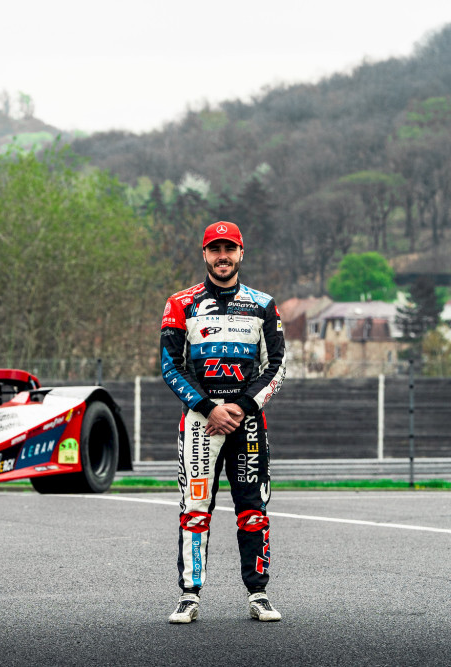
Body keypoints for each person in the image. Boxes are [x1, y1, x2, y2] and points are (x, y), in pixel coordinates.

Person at [159, 221, 286, 623]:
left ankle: (258, 593)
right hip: (201, 423)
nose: (222, 256)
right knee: (195, 509)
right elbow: (170, 366)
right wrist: (208, 407)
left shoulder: (263, 304)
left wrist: (241, 407)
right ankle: (189, 595)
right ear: (204, 254)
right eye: (215, 249)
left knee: (253, 510)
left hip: (247, 423)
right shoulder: (180, 303)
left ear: (241, 253)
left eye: (229, 249)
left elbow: (277, 365)